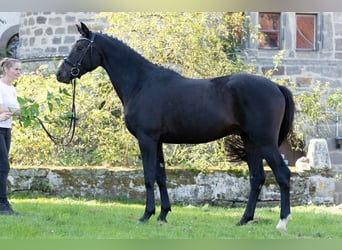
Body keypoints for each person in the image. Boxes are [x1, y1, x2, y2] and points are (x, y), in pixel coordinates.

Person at [0, 57, 21, 215]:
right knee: (3, 166)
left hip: (7, 129)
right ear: (6, 69)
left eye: (19, 70)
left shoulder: (12, 89)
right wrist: (16, 111)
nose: (19, 73)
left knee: (2, 167)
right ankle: (2, 204)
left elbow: (15, 111)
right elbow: (2, 109)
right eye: (16, 69)